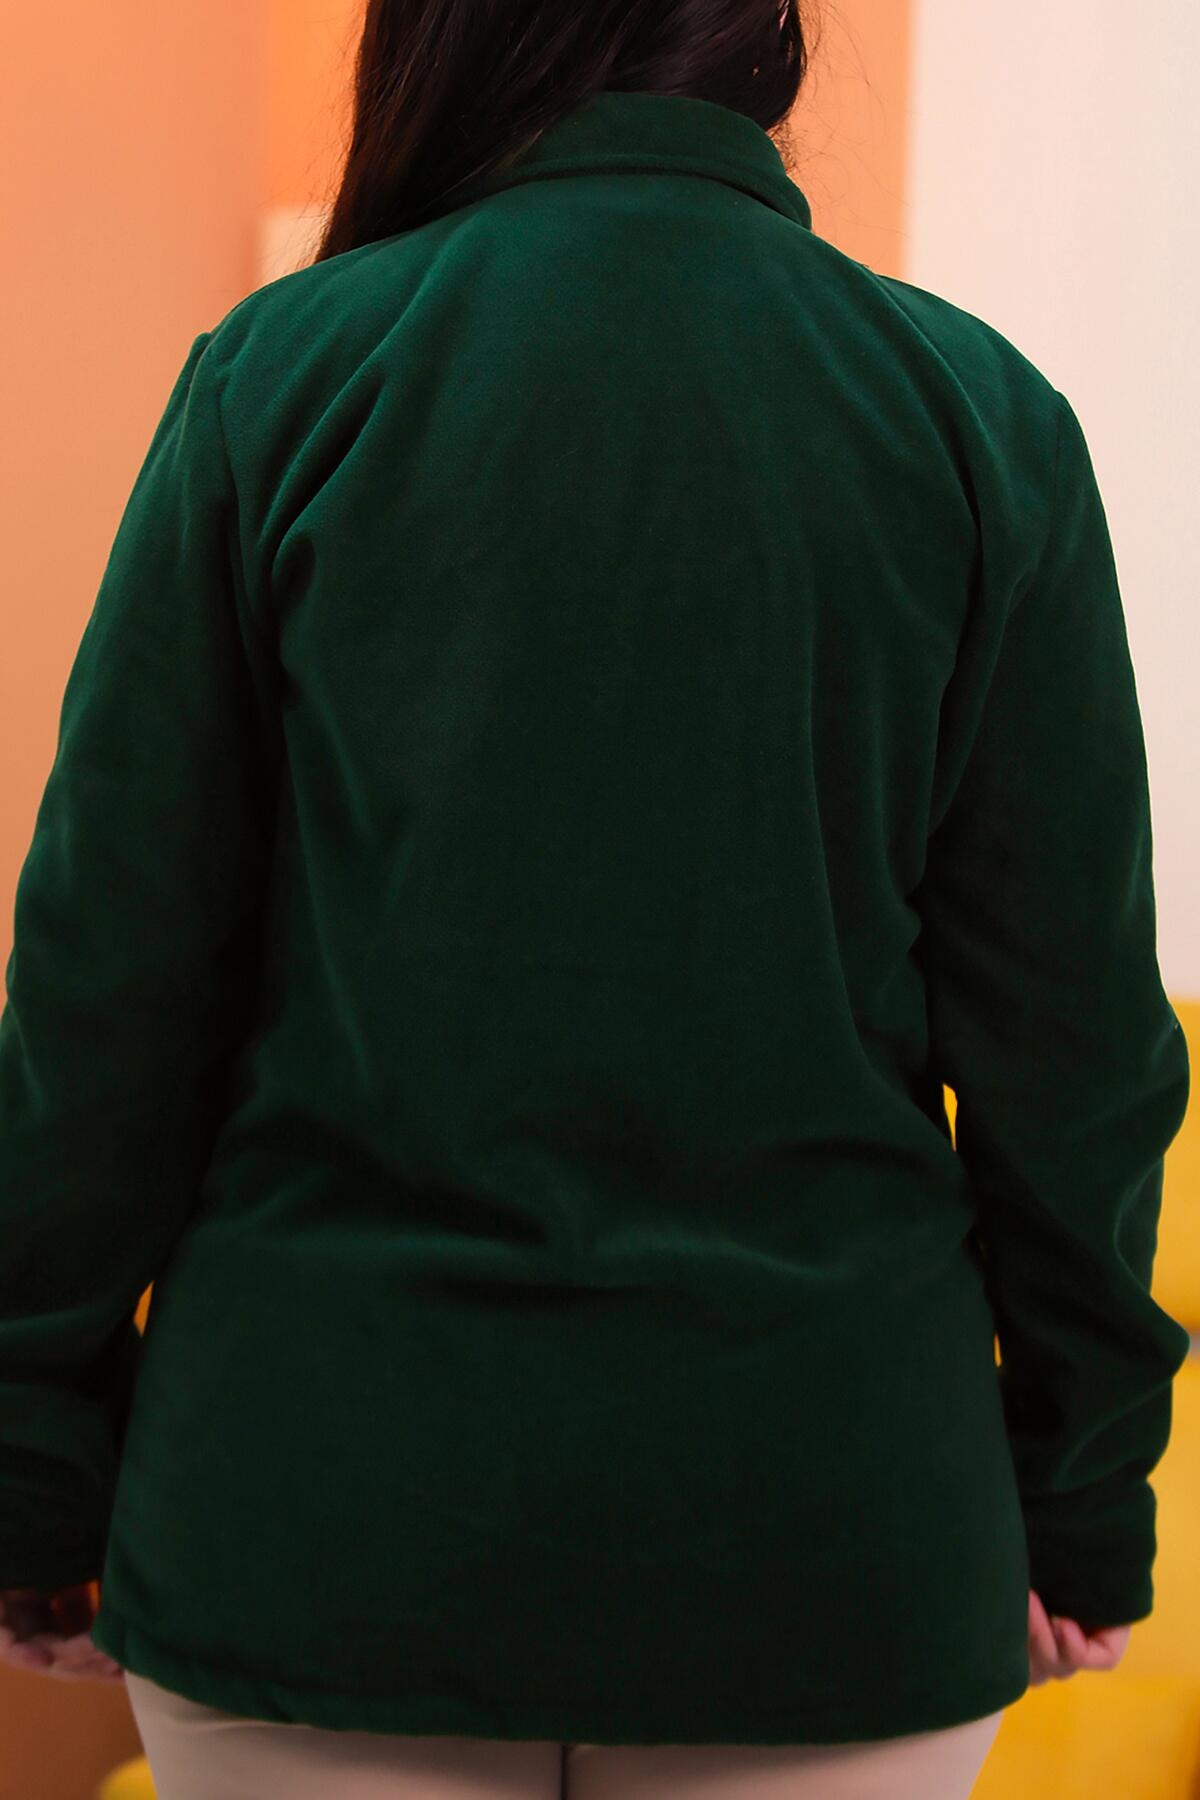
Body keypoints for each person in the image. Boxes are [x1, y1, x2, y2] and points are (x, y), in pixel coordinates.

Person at [0, 0, 1189, 1795]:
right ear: (765, 44)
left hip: (319, 1528)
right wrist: (1083, 1497)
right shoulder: (979, 416)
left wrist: (34, 1473)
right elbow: (1076, 1055)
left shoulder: (279, 378)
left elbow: (104, 1008)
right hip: (834, 1542)